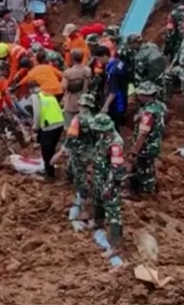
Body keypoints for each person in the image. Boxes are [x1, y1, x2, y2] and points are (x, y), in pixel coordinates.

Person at [51, 93, 96, 223]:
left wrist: (59, 154)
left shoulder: (78, 119)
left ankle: (81, 203)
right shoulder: (94, 119)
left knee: (80, 177)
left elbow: (71, 138)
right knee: (74, 170)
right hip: (90, 152)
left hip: (79, 153)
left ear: (81, 104)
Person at [90, 113, 126, 262]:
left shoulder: (115, 144)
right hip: (100, 177)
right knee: (98, 200)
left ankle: (116, 245)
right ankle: (97, 221)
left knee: (113, 211)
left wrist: (109, 186)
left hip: (109, 181)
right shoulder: (103, 138)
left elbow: (116, 168)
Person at [129, 82, 167, 197]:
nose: (138, 96)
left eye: (140, 94)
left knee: (144, 169)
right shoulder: (160, 106)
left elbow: (143, 134)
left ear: (146, 95)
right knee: (148, 167)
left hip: (146, 146)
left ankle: (145, 192)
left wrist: (134, 151)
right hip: (155, 143)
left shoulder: (147, 113)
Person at [29, 81, 65, 180]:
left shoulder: (36, 96)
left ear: (30, 90)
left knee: (46, 151)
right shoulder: (48, 94)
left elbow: (37, 114)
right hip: (59, 124)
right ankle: (51, 168)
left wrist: (35, 127)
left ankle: (49, 173)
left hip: (48, 126)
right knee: (52, 149)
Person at [61, 48, 92, 123]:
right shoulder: (87, 70)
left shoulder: (68, 72)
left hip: (70, 102)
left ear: (72, 58)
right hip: (84, 101)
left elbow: (63, 87)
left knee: (70, 125)